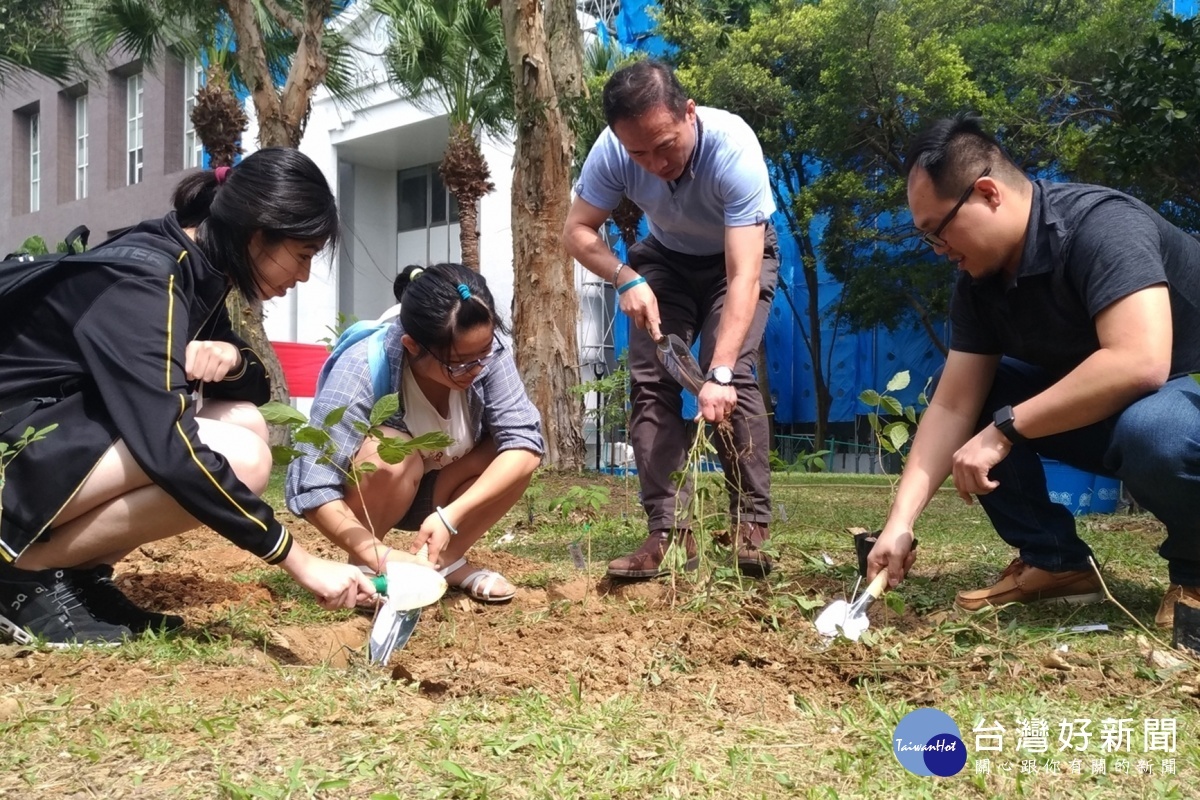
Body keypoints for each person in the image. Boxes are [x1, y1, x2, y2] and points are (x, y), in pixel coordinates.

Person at [0, 148, 378, 647]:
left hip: (47, 440)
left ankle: (80, 574)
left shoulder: (195, 267)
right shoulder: (148, 280)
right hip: (15, 452)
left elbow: (251, 387)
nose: (303, 275)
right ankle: (23, 576)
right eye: (303, 255)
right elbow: (167, 444)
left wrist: (233, 356)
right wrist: (299, 562)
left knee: (246, 424)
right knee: (241, 457)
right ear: (259, 233)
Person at [866, 114, 1200, 628]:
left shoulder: (1102, 226)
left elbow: (1140, 360)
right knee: (981, 395)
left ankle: (1195, 575)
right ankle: (1055, 562)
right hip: (1116, 413)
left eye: (939, 232)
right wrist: (900, 523)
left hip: (1181, 401)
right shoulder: (979, 283)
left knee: (1156, 429)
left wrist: (1004, 431)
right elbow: (955, 404)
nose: (940, 252)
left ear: (987, 193)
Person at [564, 59, 779, 580]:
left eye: (666, 145)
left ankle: (749, 525)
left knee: (732, 375)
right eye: (639, 152)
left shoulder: (733, 149)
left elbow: (744, 273)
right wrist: (624, 276)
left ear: (689, 113)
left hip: (735, 264)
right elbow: (576, 230)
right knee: (650, 378)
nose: (655, 163)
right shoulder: (614, 152)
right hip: (664, 259)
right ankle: (668, 532)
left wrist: (720, 372)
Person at [285, 263, 544, 602]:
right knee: (390, 450)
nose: (477, 369)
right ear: (411, 345)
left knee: (510, 453)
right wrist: (382, 555)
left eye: (484, 353)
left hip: (443, 496)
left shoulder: (487, 352)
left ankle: (443, 564)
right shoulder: (362, 367)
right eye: (459, 362)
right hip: (380, 492)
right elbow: (313, 485)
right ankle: (368, 570)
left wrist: (450, 518)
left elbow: (525, 443)